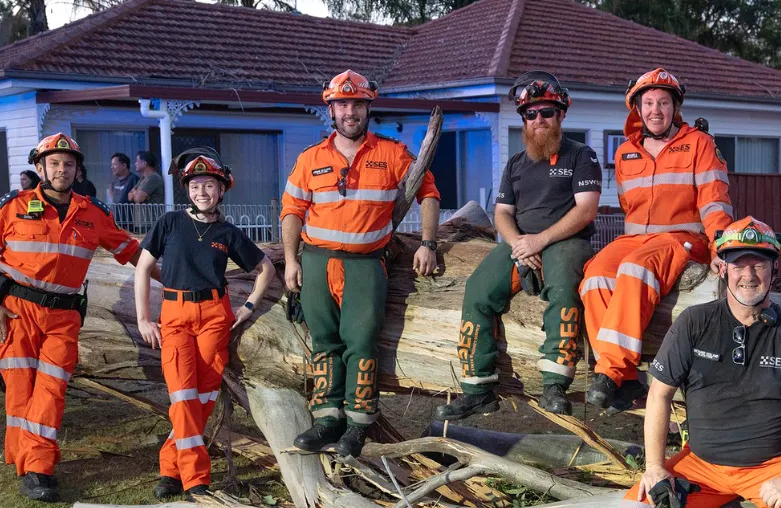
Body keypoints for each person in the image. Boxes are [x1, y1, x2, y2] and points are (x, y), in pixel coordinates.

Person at [0, 133, 145, 502]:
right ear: (40, 167)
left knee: (51, 390)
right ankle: (22, 456)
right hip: (16, 311)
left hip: (64, 316)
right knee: (20, 389)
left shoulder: (93, 212)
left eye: (68, 164)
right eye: (54, 163)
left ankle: (37, 469)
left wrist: (182, 275)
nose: (61, 169)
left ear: (77, 170)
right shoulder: (13, 206)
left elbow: (132, 252)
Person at [622, 217, 781, 508]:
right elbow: (659, 394)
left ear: (774, 268)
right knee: (635, 505)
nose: (748, 275)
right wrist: (654, 466)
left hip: (776, 466)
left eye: (759, 265)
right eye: (738, 265)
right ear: (723, 268)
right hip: (701, 466)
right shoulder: (694, 323)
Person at [282, 69, 441, 458]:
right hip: (317, 262)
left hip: (366, 265)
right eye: (342, 104)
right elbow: (291, 211)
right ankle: (327, 420)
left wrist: (428, 244)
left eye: (356, 104)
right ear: (331, 110)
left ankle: (357, 425)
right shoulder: (310, 158)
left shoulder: (391, 153)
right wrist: (290, 261)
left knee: (361, 342)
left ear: (367, 107)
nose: (349, 111)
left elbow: (430, 192)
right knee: (324, 342)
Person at [433, 71, 600, 420]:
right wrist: (519, 245)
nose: (539, 119)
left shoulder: (581, 155)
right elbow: (502, 212)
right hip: (521, 242)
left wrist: (540, 240)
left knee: (564, 289)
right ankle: (478, 389)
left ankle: (555, 383)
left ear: (561, 115)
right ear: (524, 119)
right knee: (478, 290)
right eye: (531, 114)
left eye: (547, 112)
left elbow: (585, 210)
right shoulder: (516, 163)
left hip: (566, 241)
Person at [581, 67, 734, 412]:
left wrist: (719, 246)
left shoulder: (700, 144)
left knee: (636, 269)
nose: (655, 110)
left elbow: (715, 201)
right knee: (595, 277)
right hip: (634, 238)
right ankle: (628, 379)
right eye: (648, 102)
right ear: (636, 109)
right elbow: (626, 204)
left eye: (663, 102)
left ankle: (607, 372)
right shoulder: (624, 153)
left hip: (683, 237)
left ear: (675, 107)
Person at [134, 148, 276, 500]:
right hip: (175, 318)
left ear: (222, 189)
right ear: (188, 190)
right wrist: (143, 319)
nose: (202, 192)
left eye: (209, 185)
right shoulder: (169, 222)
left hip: (216, 317)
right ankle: (195, 477)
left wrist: (248, 306)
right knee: (182, 395)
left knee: (203, 399)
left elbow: (266, 270)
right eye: (195, 185)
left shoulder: (228, 232)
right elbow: (141, 268)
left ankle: (170, 468)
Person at [128, 151, 164, 232]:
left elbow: (139, 199)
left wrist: (136, 193)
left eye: (137, 161)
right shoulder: (142, 178)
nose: (135, 163)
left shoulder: (153, 177)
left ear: (144, 163)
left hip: (150, 223)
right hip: (141, 222)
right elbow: (129, 196)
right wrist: (136, 193)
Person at [108, 153, 140, 227]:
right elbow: (112, 196)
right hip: (116, 223)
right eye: (111, 165)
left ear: (124, 165)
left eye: (114, 164)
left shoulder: (134, 179)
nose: (112, 167)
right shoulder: (114, 182)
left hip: (131, 224)